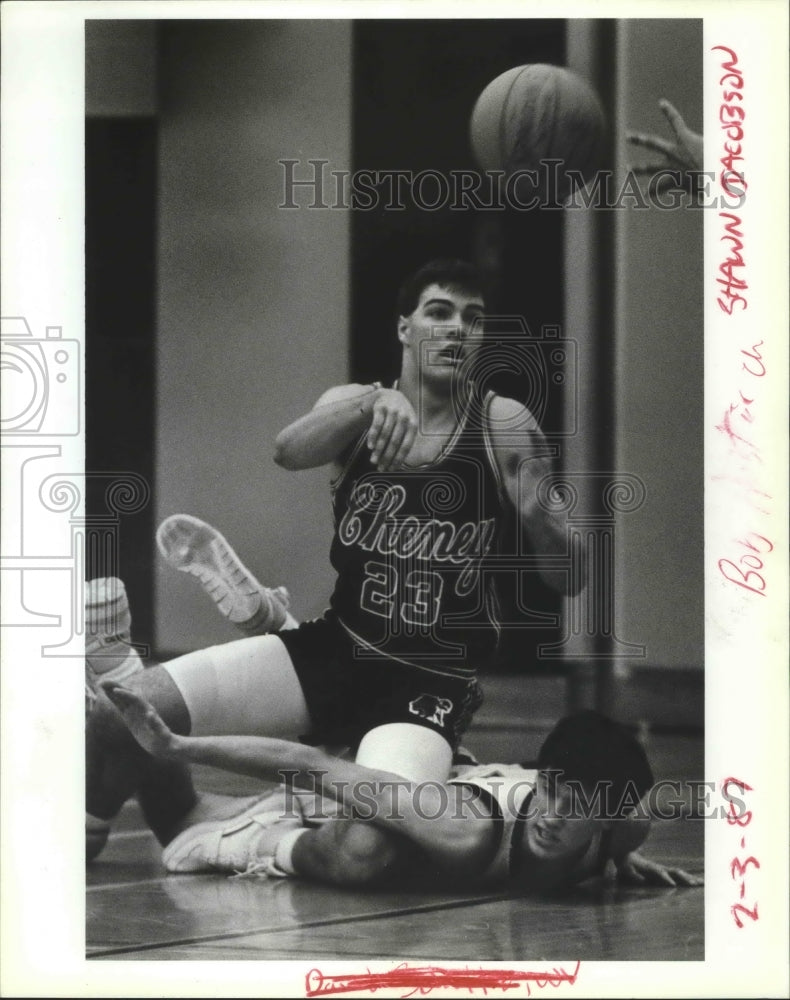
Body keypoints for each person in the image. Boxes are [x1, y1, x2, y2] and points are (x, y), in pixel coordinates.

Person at [86, 258, 582, 858]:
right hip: (335, 650)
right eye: (439, 312)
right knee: (122, 718)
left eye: (473, 320)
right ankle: (98, 832)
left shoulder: (504, 422)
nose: (457, 329)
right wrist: (375, 401)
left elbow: (570, 578)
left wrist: (541, 521)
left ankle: (269, 825)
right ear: (405, 328)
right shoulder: (352, 404)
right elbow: (287, 450)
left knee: (373, 846)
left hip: (427, 680)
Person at [103, 681, 703, 892]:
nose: (553, 817)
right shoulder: (466, 830)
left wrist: (619, 856)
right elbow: (316, 768)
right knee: (365, 851)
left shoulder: (626, 828)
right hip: (395, 794)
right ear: (543, 781)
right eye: (555, 794)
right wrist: (179, 747)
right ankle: (256, 844)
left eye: (580, 810)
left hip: (442, 772)